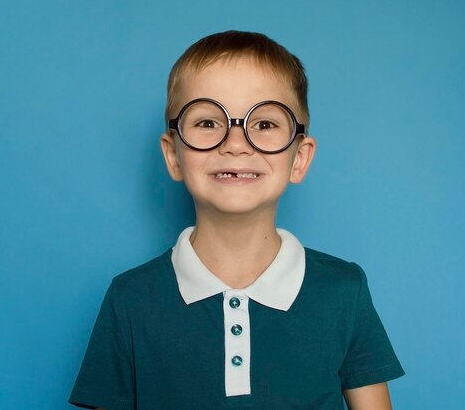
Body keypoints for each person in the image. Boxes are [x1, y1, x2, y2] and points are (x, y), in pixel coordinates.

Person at [69, 30, 404, 410]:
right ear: (173, 155)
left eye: (264, 124)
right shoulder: (129, 299)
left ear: (299, 157)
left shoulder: (344, 290)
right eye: (209, 123)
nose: (235, 142)